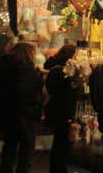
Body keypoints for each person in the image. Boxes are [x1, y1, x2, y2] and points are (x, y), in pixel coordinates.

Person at [0, 42, 43, 173]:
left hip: (7, 112)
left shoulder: (4, 65)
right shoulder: (26, 68)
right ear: (29, 52)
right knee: (26, 151)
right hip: (25, 116)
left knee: (9, 146)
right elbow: (26, 91)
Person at [43, 44, 77, 173]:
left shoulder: (52, 66)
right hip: (63, 109)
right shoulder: (65, 71)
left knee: (59, 140)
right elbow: (70, 90)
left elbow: (50, 88)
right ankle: (59, 169)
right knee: (62, 141)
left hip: (54, 107)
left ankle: (57, 168)